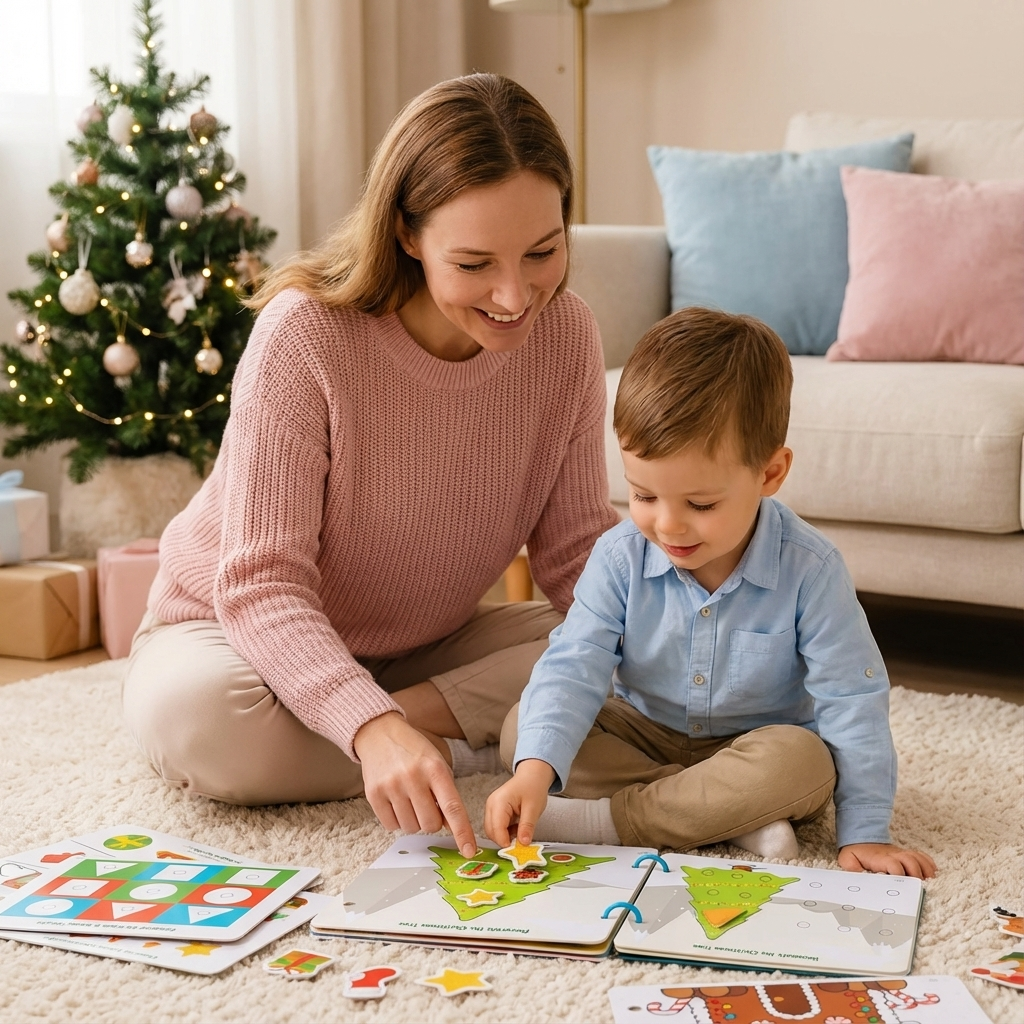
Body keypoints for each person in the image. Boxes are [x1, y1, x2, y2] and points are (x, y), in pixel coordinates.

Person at [122, 74, 616, 860]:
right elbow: (260, 584)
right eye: (475, 262)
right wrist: (371, 723)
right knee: (207, 724)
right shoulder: (305, 336)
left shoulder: (568, 337)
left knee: (627, 642)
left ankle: (395, 729)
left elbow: (578, 550)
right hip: (231, 636)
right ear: (406, 236)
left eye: (543, 251)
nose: (516, 294)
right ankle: (425, 739)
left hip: (428, 642)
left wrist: (695, 639)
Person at [486, 307, 937, 878]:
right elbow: (575, 663)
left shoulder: (811, 569)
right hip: (644, 734)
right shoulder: (619, 556)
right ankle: (729, 817)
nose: (668, 526)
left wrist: (867, 831)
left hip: (756, 746)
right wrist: (533, 773)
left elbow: (851, 699)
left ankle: (607, 823)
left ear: (770, 475)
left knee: (806, 765)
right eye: (643, 496)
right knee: (522, 729)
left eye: (700, 505)